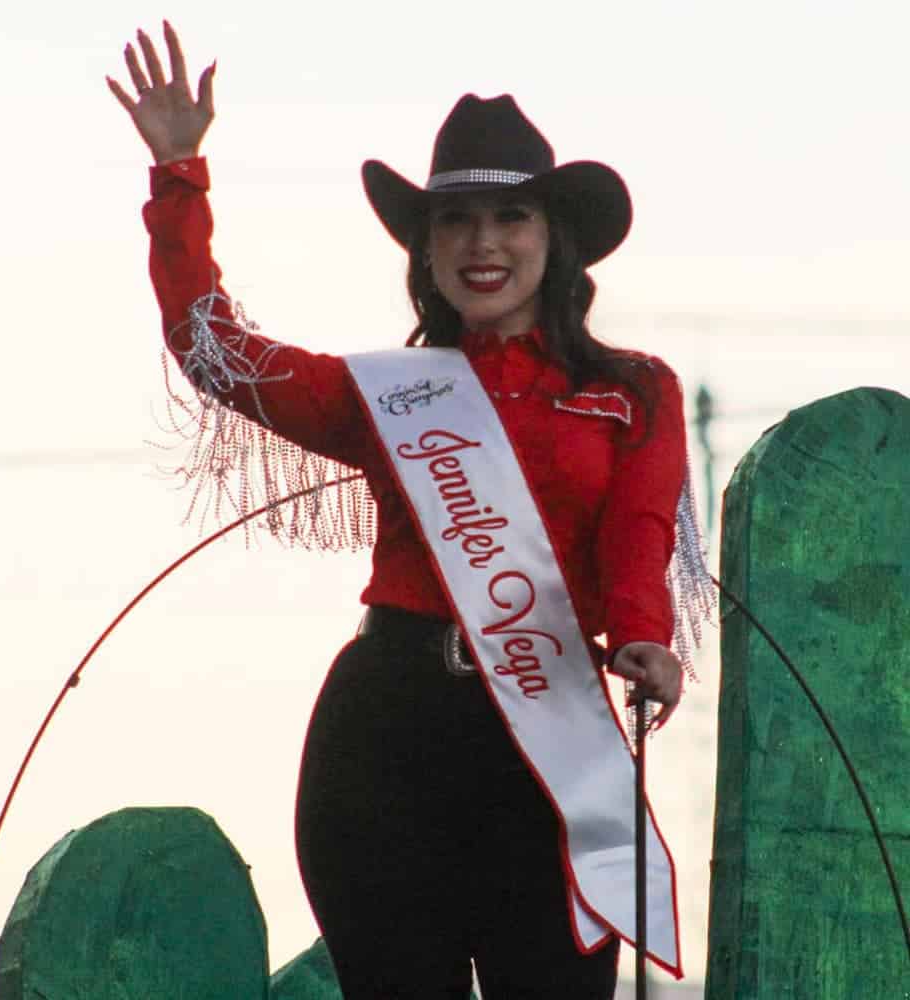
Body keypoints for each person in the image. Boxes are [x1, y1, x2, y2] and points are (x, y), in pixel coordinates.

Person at [109, 22, 700, 1000]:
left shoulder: (632, 391)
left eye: (510, 217)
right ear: (425, 249)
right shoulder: (391, 392)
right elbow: (215, 352)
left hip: (553, 737)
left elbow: (637, 531)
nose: (482, 244)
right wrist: (180, 173)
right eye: (454, 222)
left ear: (554, 241)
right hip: (386, 734)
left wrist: (644, 634)